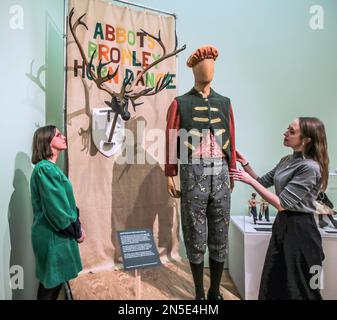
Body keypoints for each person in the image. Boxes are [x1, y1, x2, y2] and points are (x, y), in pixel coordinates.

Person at [165, 45, 237, 300]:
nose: (209, 68)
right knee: (195, 233)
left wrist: (232, 170)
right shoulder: (180, 103)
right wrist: (170, 172)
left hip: (220, 175)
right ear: (194, 69)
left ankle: (214, 291)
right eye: (203, 64)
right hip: (191, 171)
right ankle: (198, 292)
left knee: (220, 232)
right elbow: (171, 138)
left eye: (212, 63)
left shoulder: (225, 103)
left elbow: (231, 136)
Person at [230, 117, 328, 300]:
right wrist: (245, 165)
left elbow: (281, 204)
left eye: (292, 131)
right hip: (283, 227)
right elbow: (262, 182)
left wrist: (248, 180)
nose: (285, 133)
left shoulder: (310, 168)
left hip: (301, 232)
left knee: (300, 286)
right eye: (287, 129)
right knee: (275, 280)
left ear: (307, 139)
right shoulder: (287, 160)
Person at [30, 125, 85, 300]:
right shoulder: (45, 169)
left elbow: (64, 204)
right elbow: (57, 210)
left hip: (56, 236)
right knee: (51, 287)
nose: (64, 137)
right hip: (53, 237)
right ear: (47, 142)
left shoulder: (48, 169)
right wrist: (76, 231)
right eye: (58, 135)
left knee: (55, 283)